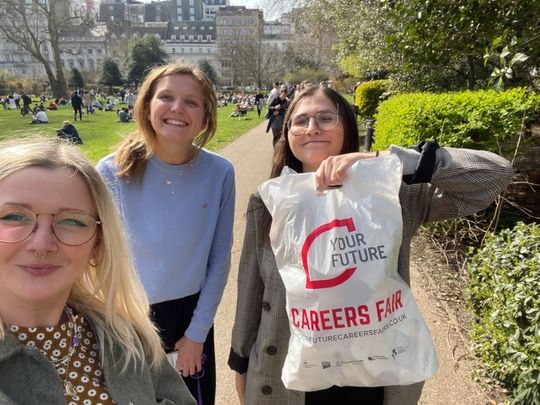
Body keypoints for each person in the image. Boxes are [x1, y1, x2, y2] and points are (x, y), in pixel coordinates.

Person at [228, 85, 513, 405]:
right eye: (301, 120)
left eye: (325, 118)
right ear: (287, 132)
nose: (312, 128)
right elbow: (250, 292)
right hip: (290, 380)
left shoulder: (391, 193)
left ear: (348, 126)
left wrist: (387, 159)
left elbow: (493, 175)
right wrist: (240, 365)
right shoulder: (269, 201)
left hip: (374, 380)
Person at [0, 138, 196, 404]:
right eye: (13, 216)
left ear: (98, 244)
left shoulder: (127, 339)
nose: (42, 244)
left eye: (72, 221)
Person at [97, 63, 235, 405]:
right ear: (147, 106)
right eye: (167, 97)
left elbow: (218, 260)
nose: (177, 108)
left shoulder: (220, 172)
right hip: (125, 316)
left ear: (205, 116)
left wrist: (196, 334)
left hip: (188, 320)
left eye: (192, 102)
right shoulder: (110, 171)